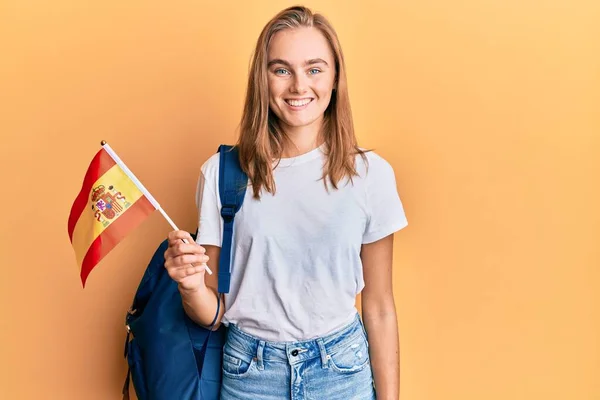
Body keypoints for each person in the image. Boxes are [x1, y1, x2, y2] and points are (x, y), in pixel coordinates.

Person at [164, 5, 408, 400]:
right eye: (281, 69)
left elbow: (379, 307)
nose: (298, 86)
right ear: (262, 79)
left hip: (342, 370)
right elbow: (212, 314)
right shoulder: (221, 173)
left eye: (314, 69)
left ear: (335, 78)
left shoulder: (371, 175)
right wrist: (190, 286)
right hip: (250, 374)